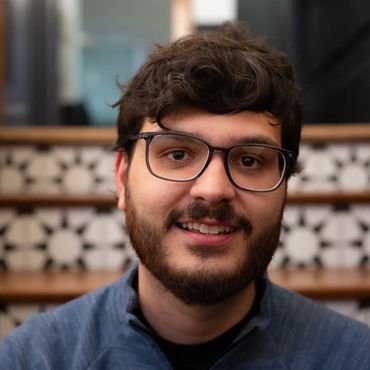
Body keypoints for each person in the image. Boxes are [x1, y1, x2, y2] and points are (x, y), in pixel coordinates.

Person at [1, 22, 370, 370]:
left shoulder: (354, 358)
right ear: (122, 178)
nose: (213, 190)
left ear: (285, 188)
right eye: (177, 154)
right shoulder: (32, 359)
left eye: (249, 160)